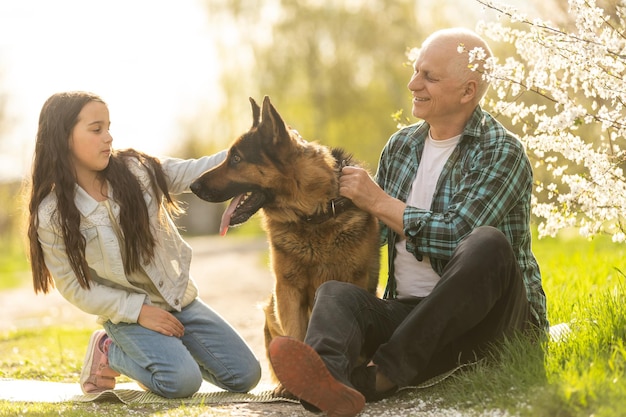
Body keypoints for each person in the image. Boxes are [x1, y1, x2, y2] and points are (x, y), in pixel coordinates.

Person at [267, 28, 548, 416]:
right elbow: (372, 234)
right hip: (409, 314)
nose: (413, 83)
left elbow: (456, 239)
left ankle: (382, 374)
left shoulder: (502, 151)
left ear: (467, 91)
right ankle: (325, 382)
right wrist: (312, 201)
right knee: (336, 294)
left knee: (487, 243)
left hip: (490, 323)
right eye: (416, 71)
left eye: (429, 77)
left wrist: (379, 201)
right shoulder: (401, 146)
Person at [27, 91, 261, 398]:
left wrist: (256, 149)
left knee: (245, 376)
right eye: (96, 129)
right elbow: (73, 286)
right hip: (129, 315)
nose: (108, 137)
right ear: (63, 137)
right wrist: (137, 312)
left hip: (179, 302)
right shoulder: (51, 213)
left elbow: (195, 169)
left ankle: (166, 353)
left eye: (109, 127)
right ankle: (108, 350)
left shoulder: (137, 170)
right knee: (181, 382)